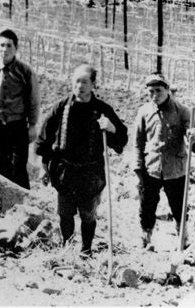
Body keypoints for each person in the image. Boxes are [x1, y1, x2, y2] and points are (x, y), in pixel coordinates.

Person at [36, 63, 128, 257]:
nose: (80, 86)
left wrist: (111, 128)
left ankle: (86, 251)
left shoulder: (102, 110)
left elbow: (121, 139)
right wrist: (44, 167)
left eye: (85, 82)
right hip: (64, 171)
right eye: (77, 81)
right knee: (65, 212)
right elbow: (45, 138)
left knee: (87, 214)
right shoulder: (61, 107)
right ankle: (67, 248)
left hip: (90, 173)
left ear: (93, 84)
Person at [133, 72, 195, 249]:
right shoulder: (144, 111)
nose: (154, 95)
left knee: (179, 206)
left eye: (158, 90)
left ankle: (182, 237)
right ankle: (146, 238)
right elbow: (138, 143)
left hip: (175, 170)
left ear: (167, 90)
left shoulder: (182, 111)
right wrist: (138, 168)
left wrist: (193, 137)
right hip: (151, 168)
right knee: (147, 206)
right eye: (151, 91)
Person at [0, 29, 41, 189]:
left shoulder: (25, 71)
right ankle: (1, 200)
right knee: (0, 166)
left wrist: (32, 125)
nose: (5, 49)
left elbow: (33, 99)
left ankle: (24, 200)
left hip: (17, 125)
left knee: (19, 166)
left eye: (9, 46)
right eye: (1, 45)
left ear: (16, 48)